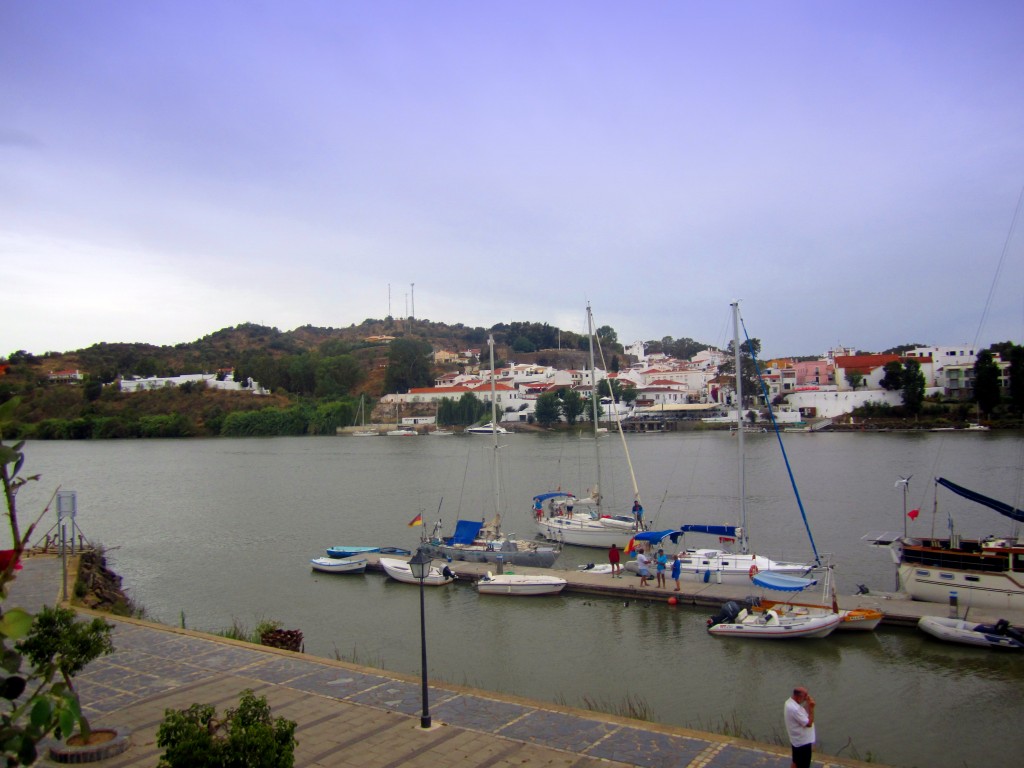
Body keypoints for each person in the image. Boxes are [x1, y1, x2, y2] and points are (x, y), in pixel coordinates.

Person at [784, 686, 816, 768]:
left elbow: (802, 712)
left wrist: (808, 704)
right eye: (805, 696)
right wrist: (812, 708)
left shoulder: (789, 702)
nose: (806, 698)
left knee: (796, 762)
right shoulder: (795, 709)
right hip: (803, 743)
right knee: (803, 765)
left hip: (796, 741)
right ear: (798, 696)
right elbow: (809, 724)